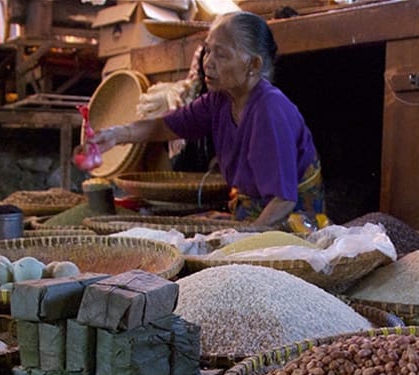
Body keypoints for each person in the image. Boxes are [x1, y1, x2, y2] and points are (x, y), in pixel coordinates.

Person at [86, 11, 325, 229]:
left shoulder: (269, 110)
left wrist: (245, 237)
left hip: (291, 222)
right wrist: (117, 134)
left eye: (221, 55)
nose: (208, 62)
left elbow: (283, 201)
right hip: (252, 215)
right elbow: (167, 125)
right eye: (207, 50)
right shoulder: (219, 100)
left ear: (253, 65)